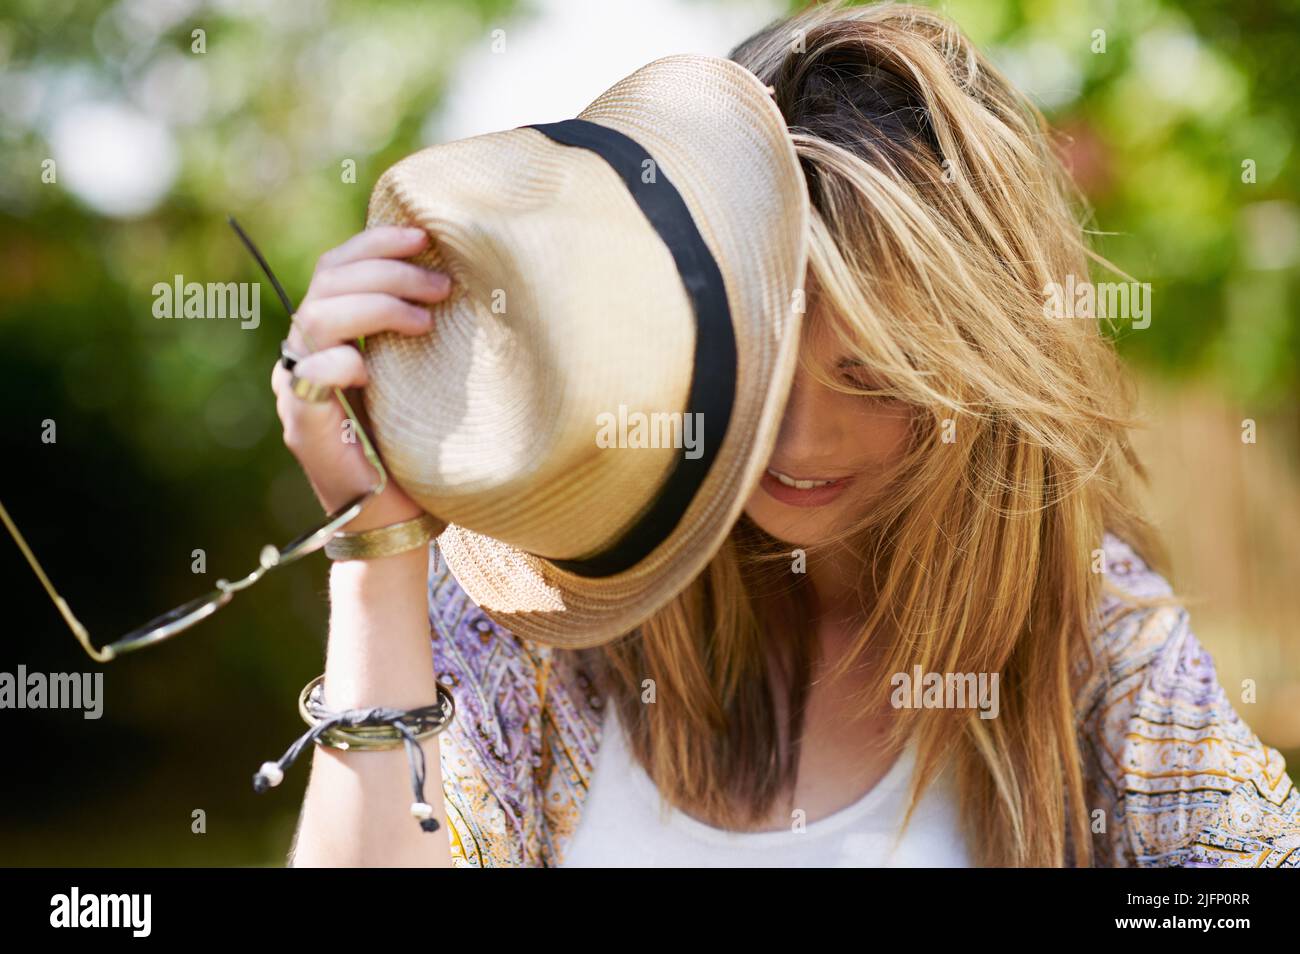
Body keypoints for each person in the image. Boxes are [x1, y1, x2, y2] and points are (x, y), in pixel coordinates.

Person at [275, 1, 1300, 867]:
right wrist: (374, 550)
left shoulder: (1094, 650)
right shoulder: (538, 607)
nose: (803, 444)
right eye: (762, 379)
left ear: (984, 379)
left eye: (877, 377)